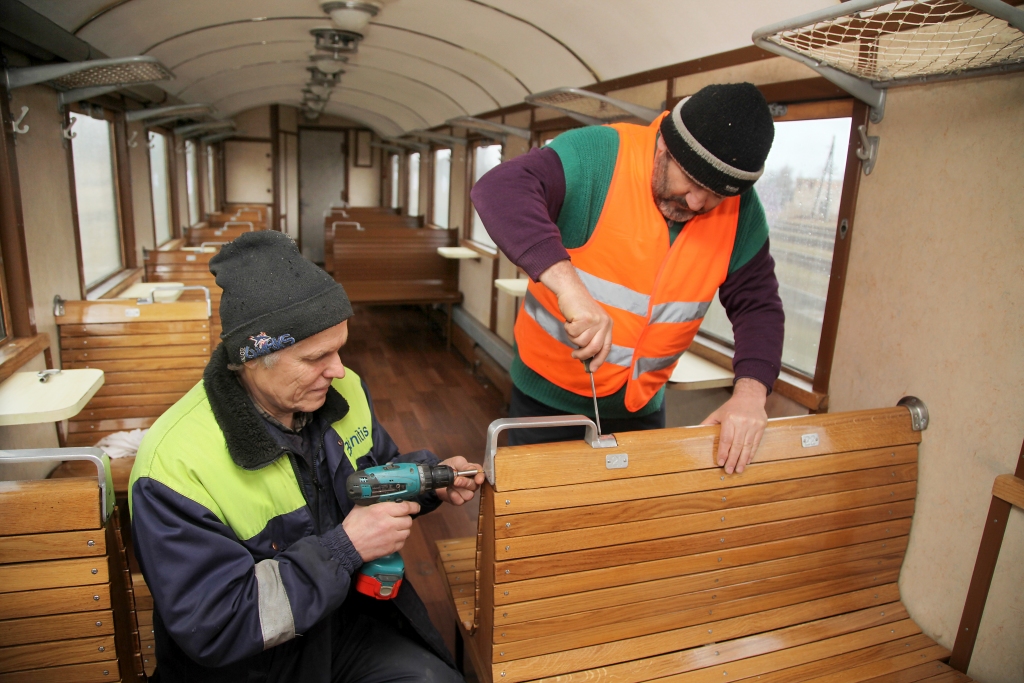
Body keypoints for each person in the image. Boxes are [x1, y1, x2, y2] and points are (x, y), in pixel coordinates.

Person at [129, 231, 483, 683]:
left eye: (340, 348)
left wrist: (431, 477)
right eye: (317, 357)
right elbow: (217, 623)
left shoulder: (343, 390)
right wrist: (344, 548)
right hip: (250, 664)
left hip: (339, 624)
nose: (337, 370)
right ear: (254, 359)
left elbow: (373, 476)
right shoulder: (174, 466)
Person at [471, 83, 784, 475]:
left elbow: (759, 307)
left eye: (716, 195)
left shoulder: (742, 214)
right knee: (538, 526)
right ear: (664, 148)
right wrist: (571, 290)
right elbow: (500, 189)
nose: (698, 203)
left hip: (641, 407)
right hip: (545, 402)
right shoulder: (598, 155)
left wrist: (751, 395)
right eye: (692, 182)